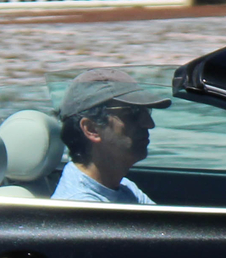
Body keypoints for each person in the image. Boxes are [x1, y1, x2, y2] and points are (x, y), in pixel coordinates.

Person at [51, 69, 171, 203]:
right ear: (92, 129)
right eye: (133, 113)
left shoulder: (123, 187)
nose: (149, 123)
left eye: (147, 111)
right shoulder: (81, 208)